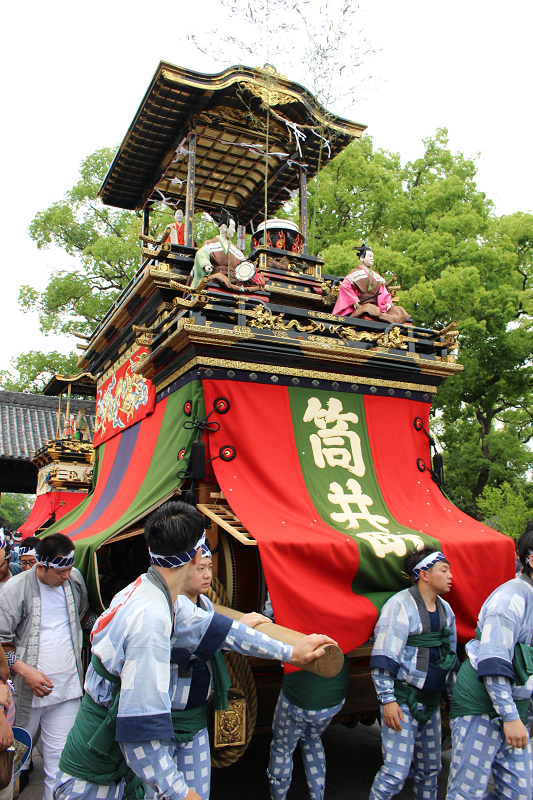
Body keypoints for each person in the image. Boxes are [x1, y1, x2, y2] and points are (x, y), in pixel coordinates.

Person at [54, 500, 336, 800]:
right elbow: (139, 736)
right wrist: (182, 794)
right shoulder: (150, 618)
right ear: (198, 553)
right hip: (93, 777)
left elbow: (216, 628)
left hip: (108, 765)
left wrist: (291, 652)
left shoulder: (153, 591)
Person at [160, 541, 288, 800]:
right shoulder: (171, 610)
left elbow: (217, 640)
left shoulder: (206, 606)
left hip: (195, 720)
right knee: (160, 789)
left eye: (209, 567)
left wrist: (230, 631)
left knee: (199, 789)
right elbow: (212, 638)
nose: (208, 574)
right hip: (167, 719)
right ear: (183, 570)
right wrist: (292, 652)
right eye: (200, 568)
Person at [0, 534, 95, 800]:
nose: (66, 575)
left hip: (66, 690)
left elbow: (84, 615)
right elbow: (1, 642)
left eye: (68, 569)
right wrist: (24, 670)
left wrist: (104, 626)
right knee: (12, 760)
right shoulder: (14, 589)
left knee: (60, 763)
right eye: (60, 571)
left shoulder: (74, 579)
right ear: (41, 566)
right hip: (23, 694)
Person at [445, 528, 533, 800]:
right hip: (481, 704)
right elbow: (494, 661)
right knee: (466, 794)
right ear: (532, 559)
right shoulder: (510, 598)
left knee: (520, 794)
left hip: (516, 709)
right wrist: (510, 717)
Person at [368, 547, 457, 800]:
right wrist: (388, 700)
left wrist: (452, 700)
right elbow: (385, 655)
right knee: (395, 773)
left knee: (431, 770)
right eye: (444, 569)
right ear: (424, 575)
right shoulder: (399, 605)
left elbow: (449, 657)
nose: (451, 575)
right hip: (403, 702)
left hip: (431, 704)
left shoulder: (446, 610)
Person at [264, 591, 349, 800]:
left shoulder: (284, 583)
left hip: (301, 686)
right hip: (335, 688)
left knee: (282, 748)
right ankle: (317, 795)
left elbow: (268, 618)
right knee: (312, 739)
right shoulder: (336, 584)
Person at [333, 244, 412, 324]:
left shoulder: (377, 276)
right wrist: (354, 300)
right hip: (362, 305)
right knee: (370, 308)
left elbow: (383, 293)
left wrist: (388, 302)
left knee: (399, 311)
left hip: (377, 307)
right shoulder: (354, 274)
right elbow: (345, 287)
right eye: (369, 256)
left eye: (373, 257)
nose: (372, 258)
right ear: (362, 258)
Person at [191, 211, 264, 293]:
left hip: (233, 279)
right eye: (232, 227)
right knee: (219, 277)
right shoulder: (210, 243)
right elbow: (201, 253)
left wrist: (249, 272)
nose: (234, 230)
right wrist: (206, 265)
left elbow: (244, 263)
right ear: (224, 227)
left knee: (254, 284)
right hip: (217, 277)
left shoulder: (235, 249)